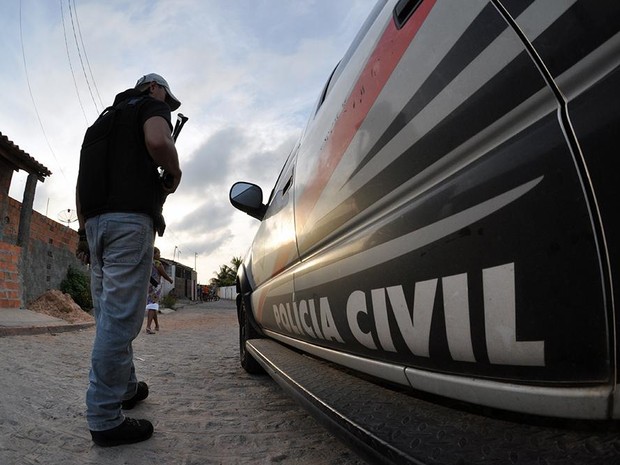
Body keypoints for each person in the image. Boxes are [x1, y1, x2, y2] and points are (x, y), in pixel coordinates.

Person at [75, 73, 182, 447]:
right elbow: (157, 140)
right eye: (167, 98)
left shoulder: (100, 123)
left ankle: (126, 387)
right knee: (120, 321)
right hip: (128, 223)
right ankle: (104, 418)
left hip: (95, 226)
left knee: (109, 314)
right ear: (153, 88)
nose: (167, 106)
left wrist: (82, 232)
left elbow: (81, 181)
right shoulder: (151, 106)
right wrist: (174, 170)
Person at [145, 247, 173, 334]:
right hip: (155, 287)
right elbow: (163, 274)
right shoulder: (157, 263)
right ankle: (148, 327)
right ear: (154, 254)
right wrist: (170, 280)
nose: (159, 255)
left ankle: (157, 325)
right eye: (158, 253)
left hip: (148, 286)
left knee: (152, 305)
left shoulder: (147, 262)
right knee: (153, 305)